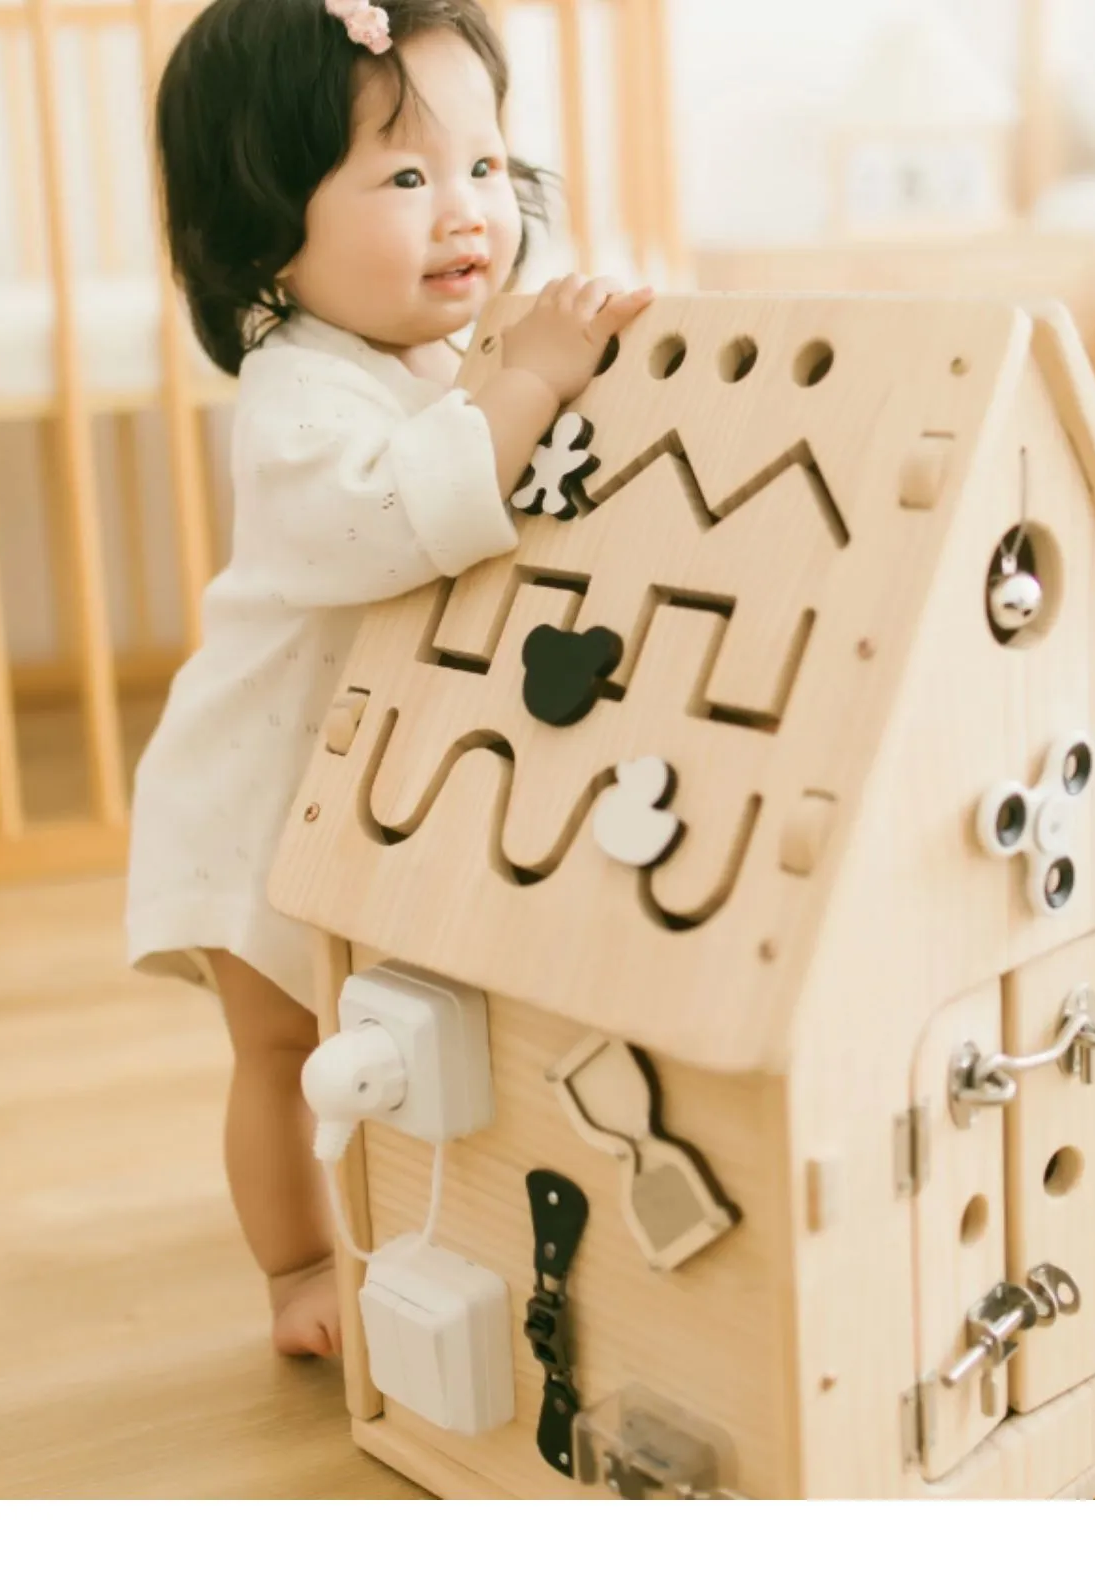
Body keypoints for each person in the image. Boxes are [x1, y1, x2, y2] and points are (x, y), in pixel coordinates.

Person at [126, 0, 652, 1357]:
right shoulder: (300, 391)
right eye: (406, 177)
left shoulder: (448, 356)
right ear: (266, 232)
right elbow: (403, 513)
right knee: (282, 1049)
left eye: (484, 165)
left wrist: (560, 362)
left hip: (369, 777)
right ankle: (298, 1265)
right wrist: (528, 384)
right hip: (256, 792)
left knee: (397, 1030)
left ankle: (423, 1208)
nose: (466, 208)